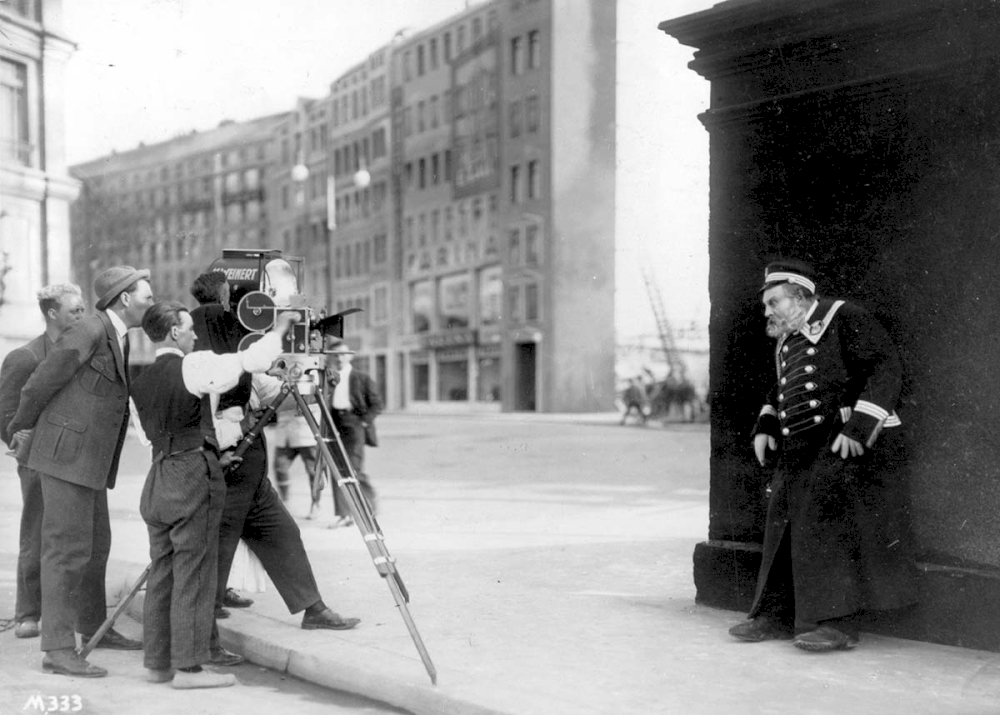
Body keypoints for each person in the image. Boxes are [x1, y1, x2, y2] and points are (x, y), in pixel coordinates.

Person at [729, 259, 917, 652]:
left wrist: (861, 426)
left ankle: (836, 624)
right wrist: (766, 424)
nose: (768, 312)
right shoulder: (787, 339)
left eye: (774, 302)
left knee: (827, 524)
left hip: (840, 441)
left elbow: (885, 367)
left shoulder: (843, 316)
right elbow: (780, 390)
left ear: (800, 297)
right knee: (781, 522)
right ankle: (776, 615)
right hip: (799, 445)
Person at [130, 301, 297, 688]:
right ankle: (189, 669)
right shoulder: (193, 364)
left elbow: (149, 436)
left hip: (159, 474)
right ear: (173, 332)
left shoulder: (138, 382)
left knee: (163, 571)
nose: (193, 334)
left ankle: (158, 664)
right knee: (195, 570)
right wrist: (281, 328)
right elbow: (249, 360)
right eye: (187, 328)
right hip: (191, 475)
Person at [188, 296, 360, 667]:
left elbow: (276, 396)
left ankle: (313, 609)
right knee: (217, 552)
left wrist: (306, 382)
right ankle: (203, 640)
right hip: (224, 470)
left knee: (283, 534)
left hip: (250, 472)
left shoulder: (241, 367)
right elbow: (203, 421)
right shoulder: (204, 369)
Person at [7, 266, 154, 677]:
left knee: (96, 546)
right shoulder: (90, 329)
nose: (151, 299)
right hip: (67, 460)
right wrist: (21, 426)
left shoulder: (113, 333)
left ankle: (94, 627)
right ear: (125, 299)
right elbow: (40, 381)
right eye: (146, 293)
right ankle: (57, 648)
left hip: (87, 462)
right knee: (66, 553)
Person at [0, 284, 86, 640]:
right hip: (36, 460)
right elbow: (4, 413)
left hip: (73, 458)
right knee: (36, 532)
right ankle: (28, 613)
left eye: (82, 311)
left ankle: (66, 609)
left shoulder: (80, 349)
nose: (82, 317)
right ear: (52, 313)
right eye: (74, 312)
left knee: (71, 535)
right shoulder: (26, 356)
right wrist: (19, 441)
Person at [324, 338, 383, 528]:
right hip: (334, 425)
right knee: (336, 468)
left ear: (349, 356)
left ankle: (370, 505)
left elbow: (377, 404)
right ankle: (344, 514)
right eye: (335, 355)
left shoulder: (361, 378)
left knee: (354, 468)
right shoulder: (328, 378)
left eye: (342, 354)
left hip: (355, 425)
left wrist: (364, 422)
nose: (339, 358)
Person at [271, 402, 322, 516]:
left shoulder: (310, 384)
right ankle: (285, 501)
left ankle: (316, 503)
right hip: (285, 432)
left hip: (306, 433)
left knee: (313, 472)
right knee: (280, 467)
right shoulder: (280, 383)